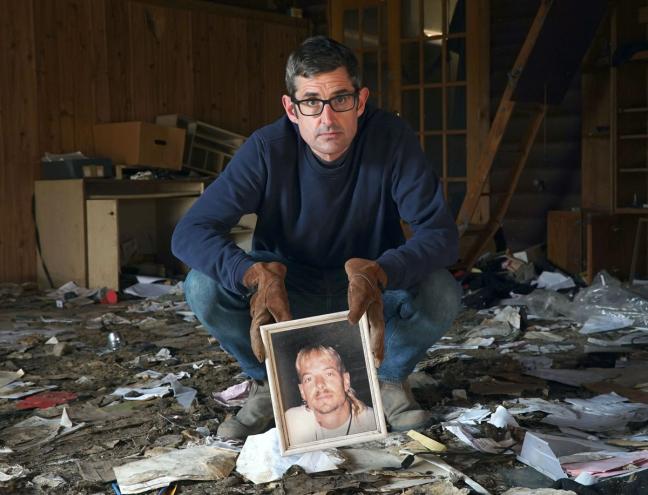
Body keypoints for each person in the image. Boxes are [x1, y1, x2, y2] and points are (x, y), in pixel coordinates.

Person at [171, 35, 461, 441]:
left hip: (369, 294)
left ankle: (388, 379)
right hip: (286, 297)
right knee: (202, 286)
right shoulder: (266, 149)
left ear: (360, 101)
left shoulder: (392, 140)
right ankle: (268, 381)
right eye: (311, 102)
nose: (327, 118)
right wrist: (254, 275)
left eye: (340, 100)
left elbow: (441, 236)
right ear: (292, 109)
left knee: (441, 290)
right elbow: (189, 233)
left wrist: (382, 272)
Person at [285, 345, 376, 444]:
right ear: (302, 391)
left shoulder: (372, 422)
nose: (319, 384)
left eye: (329, 374)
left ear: (345, 381)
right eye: (309, 379)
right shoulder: (290, 424)